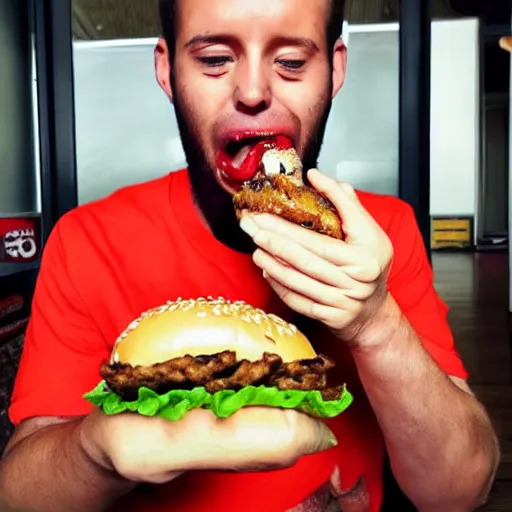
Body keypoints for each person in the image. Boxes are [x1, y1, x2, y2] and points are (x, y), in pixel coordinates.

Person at [0, 0, 500, 511]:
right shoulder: (87, 241)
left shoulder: (381, 234)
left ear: (336, 69)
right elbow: (18, 496)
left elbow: (458, 491)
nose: (255, 92)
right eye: (215, 59)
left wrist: (376, 324)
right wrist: (95, 451)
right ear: (167, 70)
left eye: (292, 63)